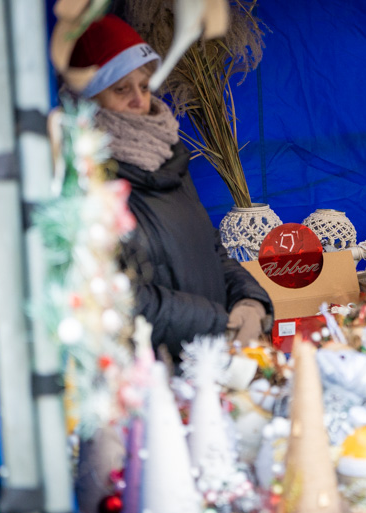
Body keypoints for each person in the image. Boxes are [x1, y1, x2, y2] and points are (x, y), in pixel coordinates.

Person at [67, 14, 273, 358]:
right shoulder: (87, 182)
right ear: (91, 100)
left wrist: (250, 301)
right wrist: (218, 323)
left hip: (208, 361)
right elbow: (118, 295)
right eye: (121, 89)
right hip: (148, 380)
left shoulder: (168, 157)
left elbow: (212, 252)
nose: (138, 99)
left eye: (144, 86)